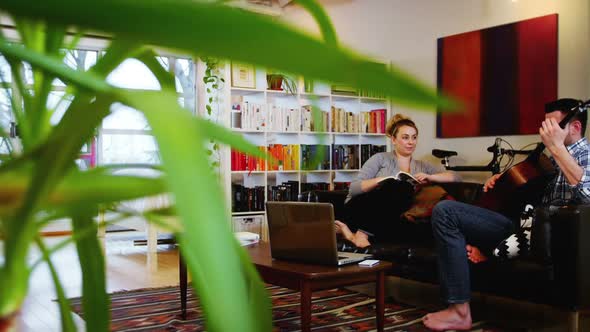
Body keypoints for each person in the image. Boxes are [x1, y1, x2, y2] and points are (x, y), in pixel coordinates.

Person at [423, 98, 590, 331]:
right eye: (546, 126)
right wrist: (502, 181)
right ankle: (485, 253)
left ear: (575, 127)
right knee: (447, 211)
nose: (547, 134)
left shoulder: (584, 156)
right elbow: (521, 194)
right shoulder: (546, 159)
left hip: (546, 237)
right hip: (518, 226)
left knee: (445, 211)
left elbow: (586, 196)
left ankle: (459, 311)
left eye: (553, 127)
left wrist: (558, 149)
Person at [335, 114, 459, 248]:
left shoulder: (423, 166)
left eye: (414, 137)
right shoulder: (380, 158)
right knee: (398, 187)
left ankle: (348, 234)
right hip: (360, 209)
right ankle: (361, 234)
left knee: (413, 218)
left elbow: (455, 178)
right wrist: (381, 180)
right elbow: (353, 189)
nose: (411, 142)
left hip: (390, 218)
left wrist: (430, 177)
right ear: (394, 140)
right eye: (405, 138)